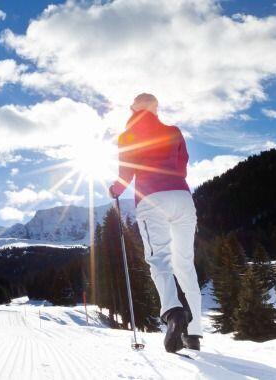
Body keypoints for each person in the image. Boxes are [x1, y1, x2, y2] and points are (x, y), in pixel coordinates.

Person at [108, 93, 202, 352]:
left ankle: (173, 312)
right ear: (155, 108)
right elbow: (183, 166)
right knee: (185, 263)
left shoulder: (128, 136)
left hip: (152, 199)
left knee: (159, 258)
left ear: (134, 109)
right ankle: (194, 333)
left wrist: (115, 189)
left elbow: (126, 173)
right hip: (182, 197)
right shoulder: (173, 131)